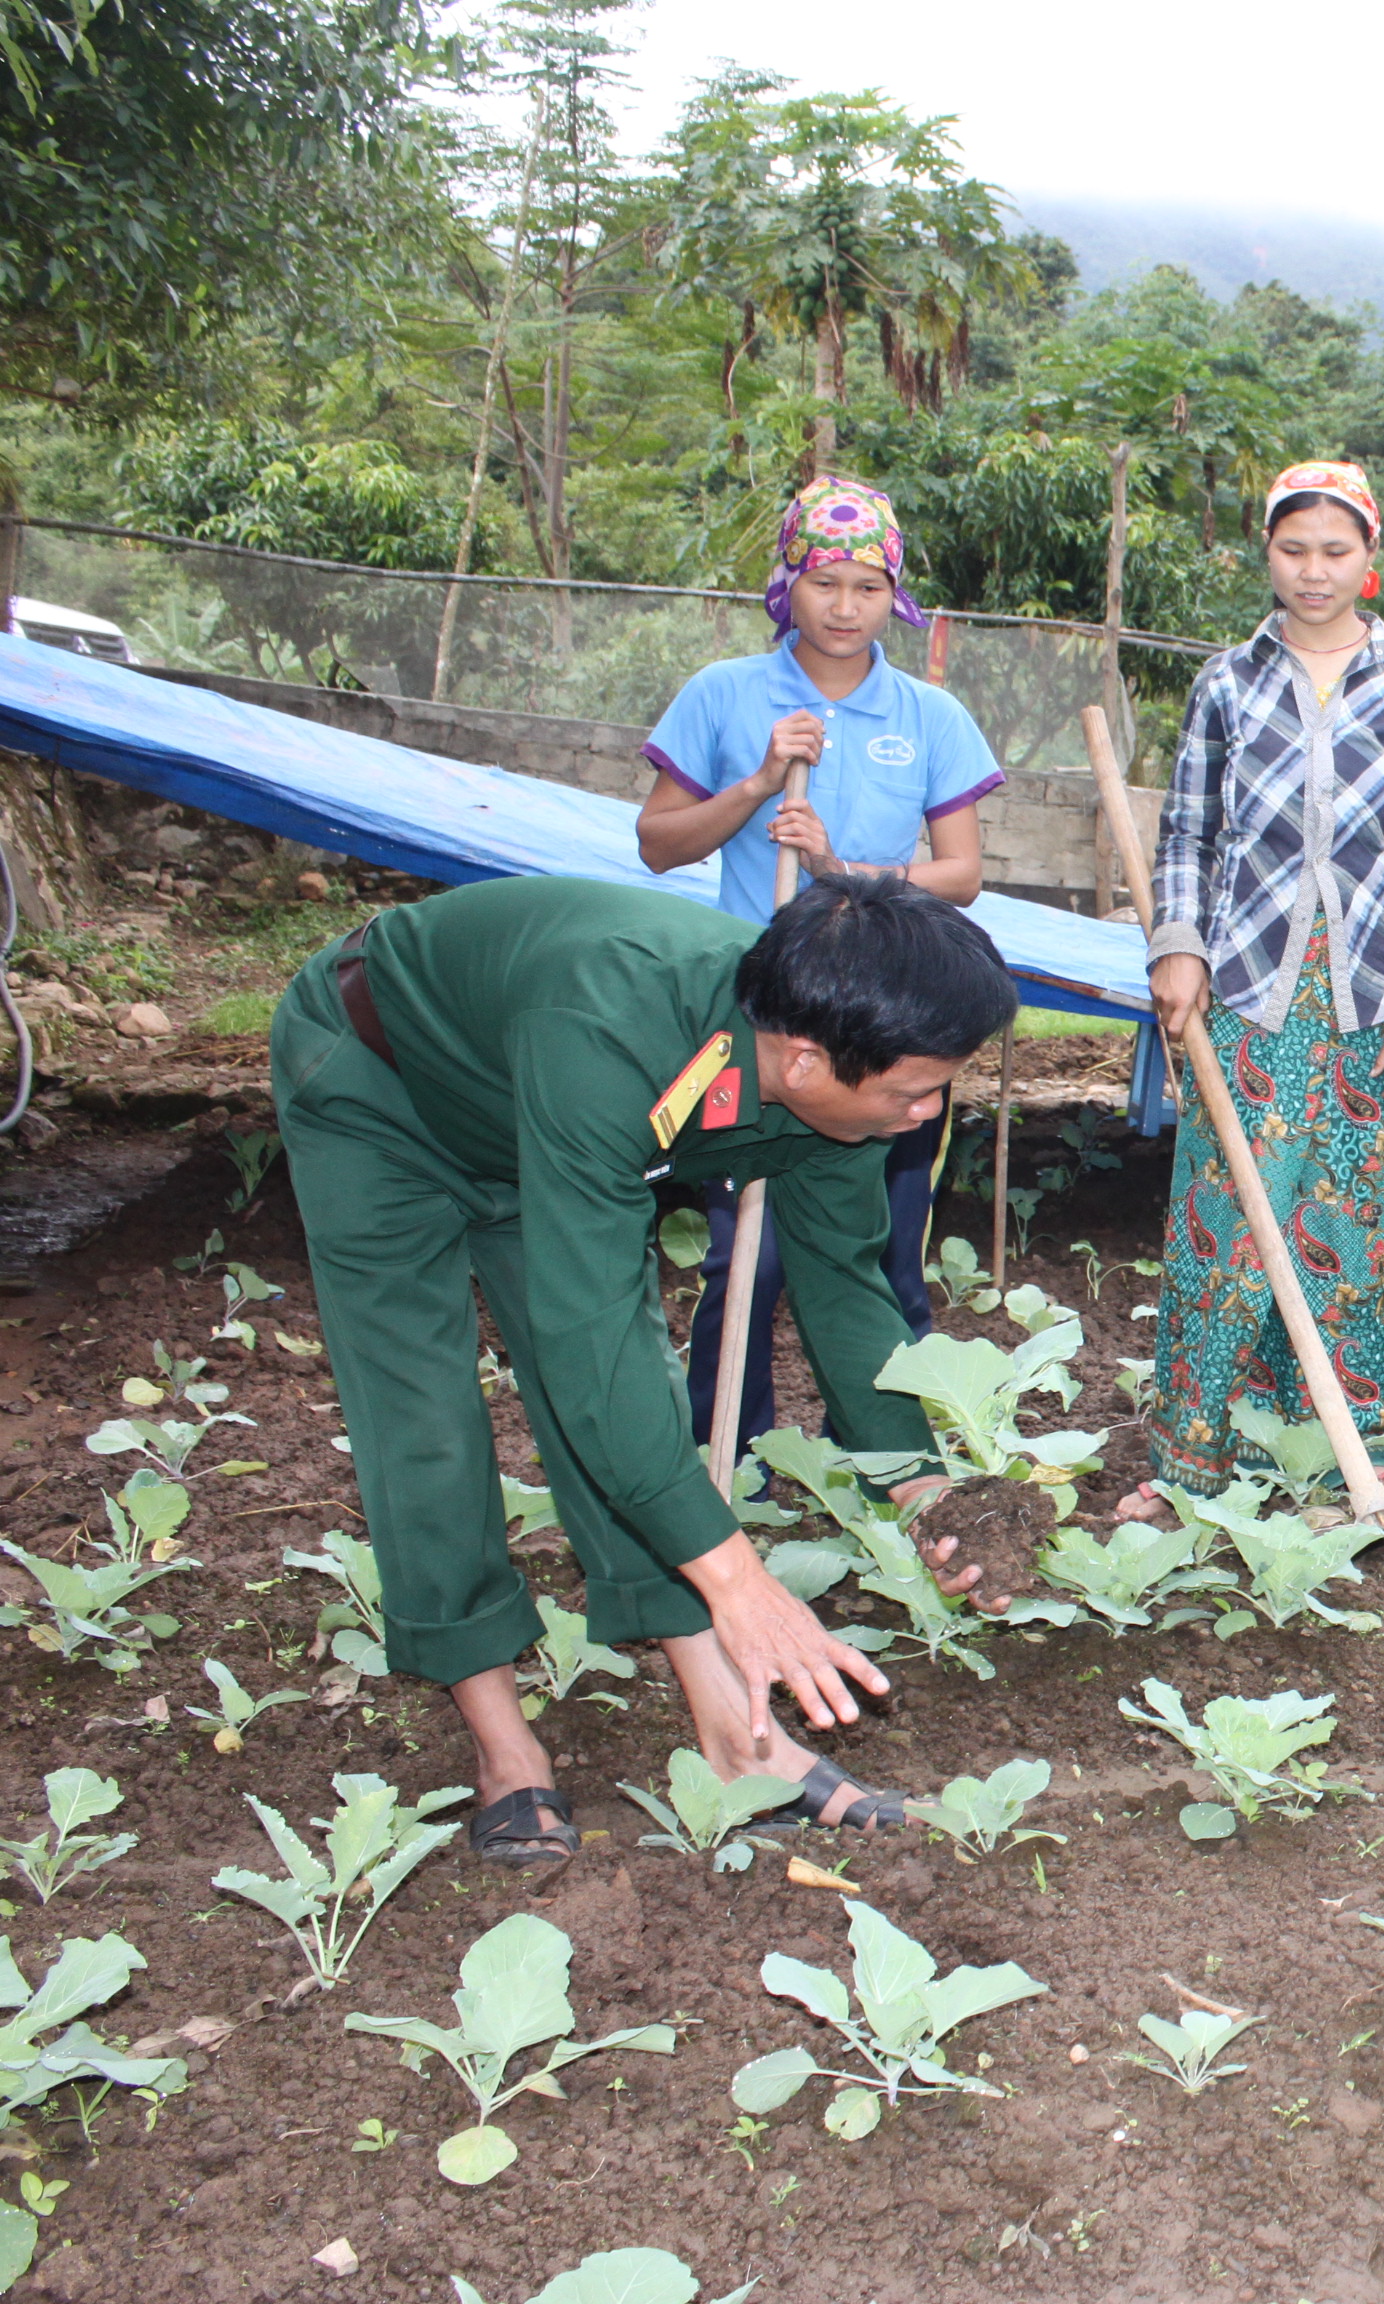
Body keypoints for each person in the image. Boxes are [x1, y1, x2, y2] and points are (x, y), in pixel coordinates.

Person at [268, 873, 1019, 1863]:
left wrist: (921, 1488)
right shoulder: (615, 1026)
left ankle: (735, 1737)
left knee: (634, 1401)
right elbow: (594, 1345)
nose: (926, 1115)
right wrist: (738, 1579)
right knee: (427, 1413)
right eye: (912, 1090)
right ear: (802, 1060)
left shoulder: (844, 1077)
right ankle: (505, 1751)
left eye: (940, 1086)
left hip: (535, 1117)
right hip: (381, 1083)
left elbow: (844, 1282)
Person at [633, 475, 999, 1450]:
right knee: (740, 1259)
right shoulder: (725, 696)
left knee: (883, 1262)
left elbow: (960, 874)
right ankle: (732, 1457)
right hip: (756, 1023)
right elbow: (659, 843)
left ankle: (886, 1462)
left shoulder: (929, 716)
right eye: (825, 582)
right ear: (787, 582)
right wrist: (754, 784)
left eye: (869, 588)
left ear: (898, 600)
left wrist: (846, 868)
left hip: (889, 1029)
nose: (845, 608)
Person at [1133, 459, 1384, 1492]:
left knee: (1352, 1227)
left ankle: (1334, 1463)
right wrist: (1176, 945)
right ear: (1265, 554)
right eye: (1293, 549)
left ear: (1370, 559)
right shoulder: (1227, 684)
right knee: (1224, 1217)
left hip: (1370, 1000)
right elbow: (1188, 828)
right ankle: (1195, 1461)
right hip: (1243, 989)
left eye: (1335, 550)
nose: (1313, 571)